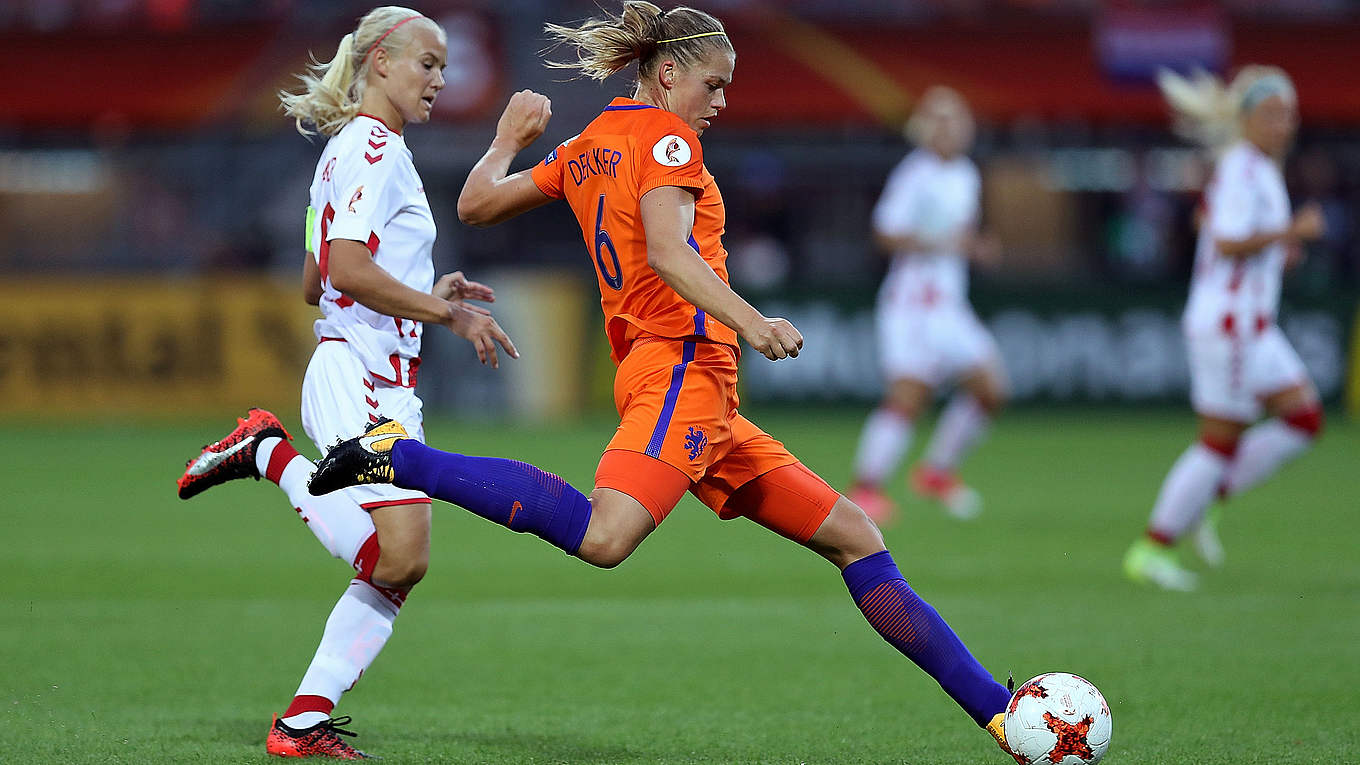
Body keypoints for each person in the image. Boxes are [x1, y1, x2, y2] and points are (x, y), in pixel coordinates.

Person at [309, 3, 1029, 760]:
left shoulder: (591, 143)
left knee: (856, 538)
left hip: (691, 390)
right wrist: (754, 322)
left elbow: (476, 204)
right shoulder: (668, 139)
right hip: (682, 369)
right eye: (712, 85)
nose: (721, 101)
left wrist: (506, 144)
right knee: (604, 536)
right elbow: (668, 250)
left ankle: (999, 712)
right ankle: (399, 456)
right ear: (667, 72)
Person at [175, 6, 516, 758]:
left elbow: (314, 279)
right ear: (381, 62)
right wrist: (447, 313)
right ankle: (268, 454)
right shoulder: (372, 148)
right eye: (427, 62)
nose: (440, 78)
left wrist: (424, 288)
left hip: (378, 376)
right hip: (358, 374)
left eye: (442, 65)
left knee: (401, 562)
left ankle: (303, 720)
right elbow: (346, 270)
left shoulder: (345, 151)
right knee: (401, 556)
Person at [1123, 66, 1325, 591]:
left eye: (1289, 114)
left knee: (1303, 419)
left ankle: (1206, 498)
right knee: (1217, 443)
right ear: (1245, 119)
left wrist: (1277, 251)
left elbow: (1212, 227)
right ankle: (1152, 548)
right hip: (1230, 325)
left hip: (1254, 324)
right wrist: (1290, 232)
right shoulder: (1243, 168)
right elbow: (1229, 241)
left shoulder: (1256, 169)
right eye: (1272, 113)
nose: (1284, 124)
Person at [845, 86, 1006, 525]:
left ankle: (936, 471)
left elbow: (961, 236)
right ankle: (865, 488)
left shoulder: (966, 174)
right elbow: (885, 233)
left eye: (957, 118)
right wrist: (937, 242)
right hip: (913, 304)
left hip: (949, 304)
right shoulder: (915, 174)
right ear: (925, 128)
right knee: (908, 396)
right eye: (941, 119)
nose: (951, 127)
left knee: (991, 389)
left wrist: (975, 247)